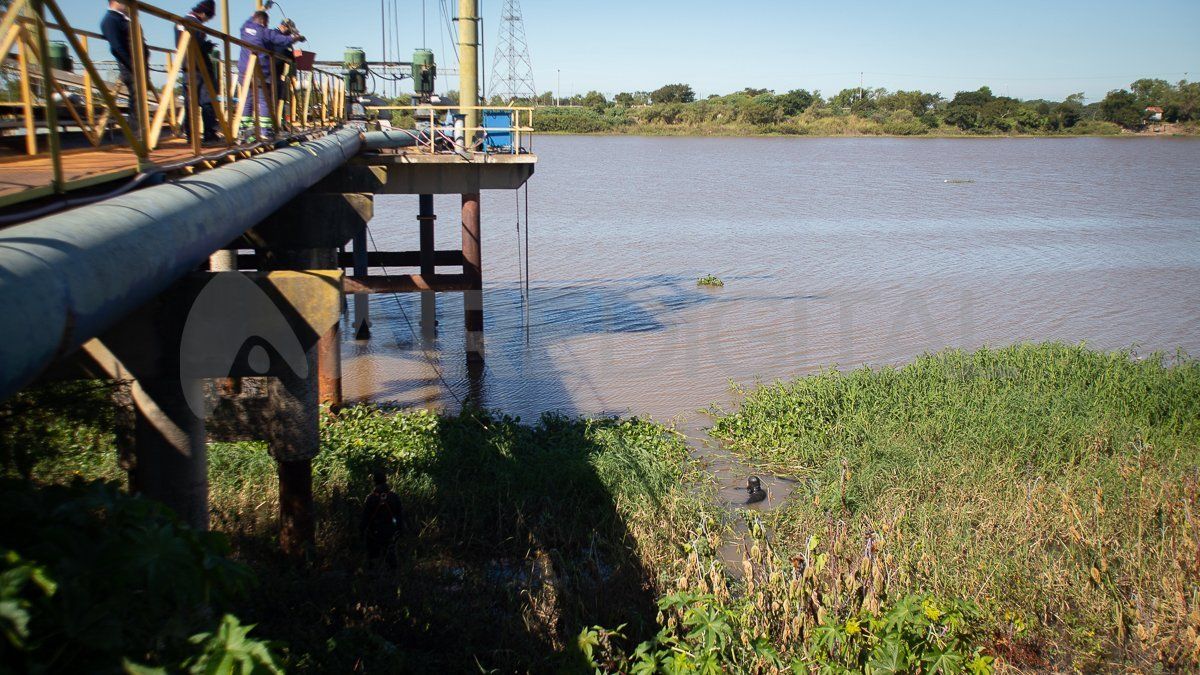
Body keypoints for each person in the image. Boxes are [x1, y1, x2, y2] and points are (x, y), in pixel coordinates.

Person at [236, 10, 303, 140]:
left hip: (244, 72)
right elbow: (283, 40)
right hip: (262, 72)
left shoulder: (244, 28)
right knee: (264, 101)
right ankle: (265, 132)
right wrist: (297, 38)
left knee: (247, 100)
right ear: (264, 21)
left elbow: (252, 18)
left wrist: (264, 7)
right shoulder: (265, 32)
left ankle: (244, 131)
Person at [100, 0, 148, 139]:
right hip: (130, 67)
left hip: (137, 66)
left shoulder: (123, 18)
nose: (128, 4)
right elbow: (117, 47)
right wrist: (133, 65)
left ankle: (142, 136)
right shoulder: (110, 20)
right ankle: (137, 137)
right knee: (136, 100)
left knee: (140, 100)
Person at [175, 0, 219, 143]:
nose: (207, 21)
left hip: (187, 67)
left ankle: (191, 136)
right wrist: (208, 47)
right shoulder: (196, 24)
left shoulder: (179, 22)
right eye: (208, 17)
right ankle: (209, 134)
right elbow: (197, 46)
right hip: (199, 68)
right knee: (207, 101)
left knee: (190, 103)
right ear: (204, 14)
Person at [360, 470, 402, 568]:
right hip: (390, 532)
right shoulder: (394, 497)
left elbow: (365, 518)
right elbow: (400, 515)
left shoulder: (370, 498)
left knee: (373, 559)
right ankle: (392, 579)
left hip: (374, 533)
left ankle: (374, 577)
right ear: (386, 480)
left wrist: (361, 531)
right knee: (391, 561)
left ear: (374, 482)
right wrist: (400, 530)